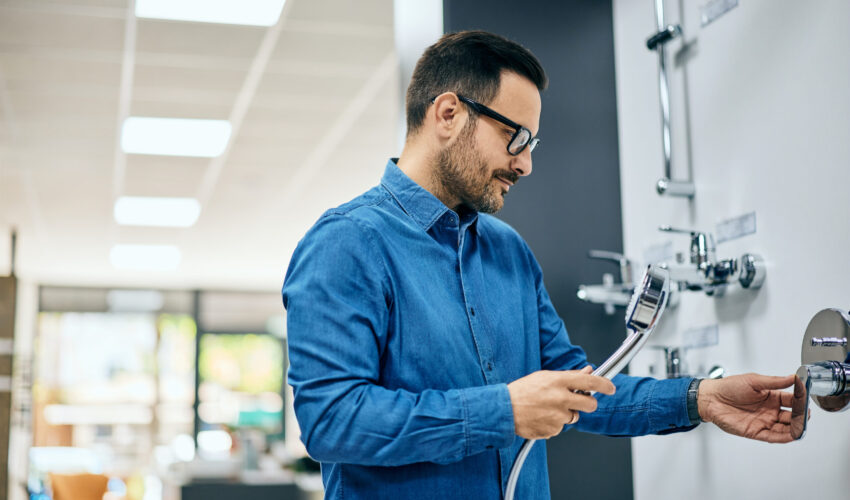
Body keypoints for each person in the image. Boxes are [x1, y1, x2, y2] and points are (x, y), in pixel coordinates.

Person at [281, 30, 795, 500]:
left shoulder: (508, 252)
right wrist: (502, 411)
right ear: (448, 114)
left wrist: (701, 399)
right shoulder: (346, 244)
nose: (525, 163)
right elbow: (331, 421)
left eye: (533, 143)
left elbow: (576, 385)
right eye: (516, 137)